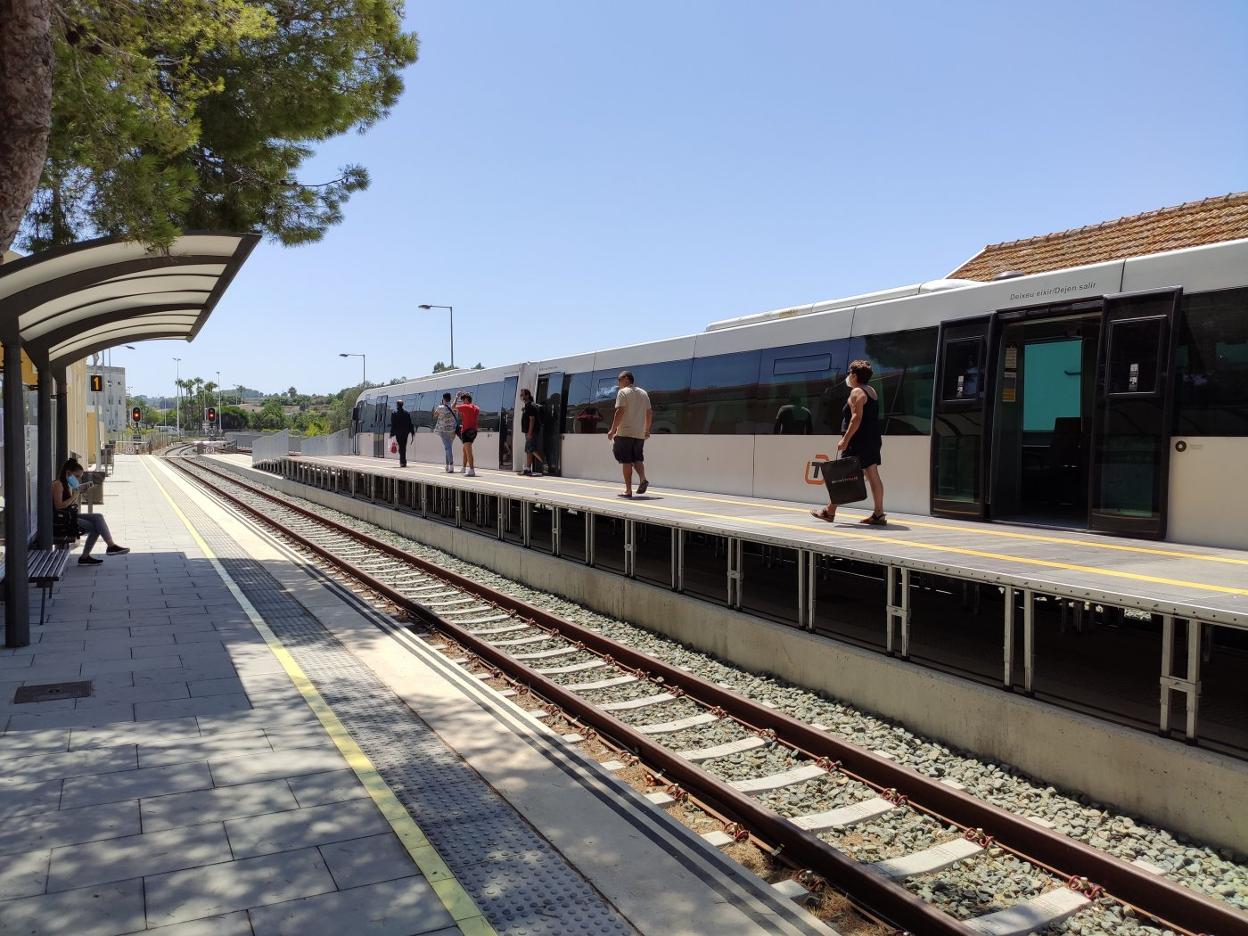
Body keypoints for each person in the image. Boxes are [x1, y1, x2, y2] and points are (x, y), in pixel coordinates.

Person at [811, 360, 885, 525]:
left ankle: (829, 511)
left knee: (841, 474)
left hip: (857, 441)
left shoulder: (856, 393)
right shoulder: (871, 391)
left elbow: (856, 418)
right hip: (873, 438)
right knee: (873, 474)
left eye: (849, 373)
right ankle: (879, 514)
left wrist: (845, 439)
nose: (848, 377)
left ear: (854, 375)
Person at [52, 458, 129, 565]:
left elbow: (66, 504)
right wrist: (74, 496)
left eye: (80, 477)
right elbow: (59, 506)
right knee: (96, 527)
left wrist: (76, 493)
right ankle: (86, 556)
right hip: (61, 520)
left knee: (98, 517)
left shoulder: (65, 484)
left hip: (68, 516)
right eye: (77, 476)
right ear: (68, 473)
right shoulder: (58, 484)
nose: (78, 479)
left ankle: (110, 546)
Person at [605, 370, 651, 498]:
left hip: (625, 432)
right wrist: (646, 430)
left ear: (626, 379)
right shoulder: (643, 393)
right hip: (639, 433)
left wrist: (613, 429)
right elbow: (649, 413)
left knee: (626, 461)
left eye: (619, 380)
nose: (618, 383)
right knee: (637, 458)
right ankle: (643, 478)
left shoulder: (623, 392)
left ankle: (628, 490)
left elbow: (620, 411)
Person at [454, 391, 480, 477]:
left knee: (468, 451)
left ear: (466, 399)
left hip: (466, 431)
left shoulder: (465, 406)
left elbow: (452, 407)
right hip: (474, 431)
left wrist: (456, 397)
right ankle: (464, 468)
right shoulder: (476, 408)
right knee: (465, 449)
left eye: (462, 400)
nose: (462, 402)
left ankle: (471, 470)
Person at [519, 388, 545, 476]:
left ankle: (545, 464)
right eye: (521, 395)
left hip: (531, 432)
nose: (521, 397)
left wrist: (530, 433)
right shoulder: (527, 406)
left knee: (531, 449)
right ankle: (527, 469)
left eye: (522, 395)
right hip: (528, 432)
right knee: (529, 450)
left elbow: (532, 420)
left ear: (527, 395)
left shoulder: (530, 406)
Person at [433, 392, 457, 472]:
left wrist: (440, 405)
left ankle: (451, 465)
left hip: (444, 430)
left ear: (443, 398)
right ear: (450, 398)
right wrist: (456, 397)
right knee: (448, 447)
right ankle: (447, 466)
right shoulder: (453, 406)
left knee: (448, 447)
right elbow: (454, 405)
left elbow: (435, 415)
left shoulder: (440, 407)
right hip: (453, 430)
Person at [389, 399, 414, 468]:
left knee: (401, 446)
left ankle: (402, 462)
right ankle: (403, 461)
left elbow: (393, 424)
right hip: (405, 432)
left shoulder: (394, 413)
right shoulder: (407, 413)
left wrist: (391, 433)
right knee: (403, 446)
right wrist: (412, 432)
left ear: (397, 405)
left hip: (398, 432)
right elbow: (410, 423)